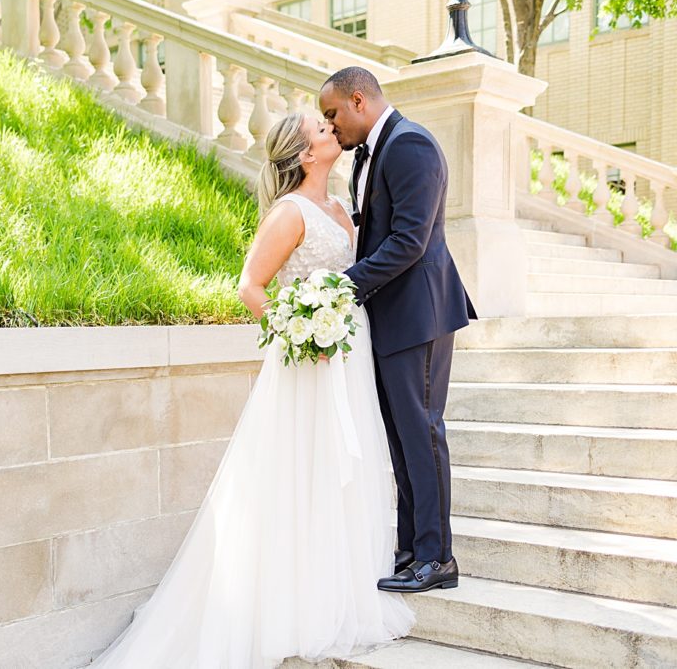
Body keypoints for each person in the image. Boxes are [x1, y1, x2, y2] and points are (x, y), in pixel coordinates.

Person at [87, 111, 414, 668]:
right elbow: (250, 287)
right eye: (319, 127)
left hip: (347, 355)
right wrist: (299, 332)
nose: (330, 128)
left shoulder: (339, 208)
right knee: (298, 473)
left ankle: (339, 593)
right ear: (306, 154)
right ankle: (290, 605)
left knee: (345, 471)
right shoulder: (290, 212)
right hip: (308, 363)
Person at [319, 66, 477, 593]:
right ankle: (412, 550)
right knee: (402, 440)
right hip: (391, 319)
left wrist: (345, 285)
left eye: (332, 114)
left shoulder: (411, 145)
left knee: (423, 434)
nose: (331, 126)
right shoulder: (369, 154)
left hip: (419, 317)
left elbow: (410, 241)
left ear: (359, 100)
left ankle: (437, 558)